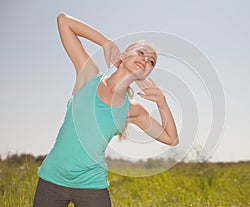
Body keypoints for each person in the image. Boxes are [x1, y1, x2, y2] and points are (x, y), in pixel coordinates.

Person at [33, 12, 179, 207]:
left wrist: (162, 103)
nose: (146, 60)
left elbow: (171, 139)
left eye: (151, 62)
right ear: (124, 55)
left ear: (147, 73)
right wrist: (106, 43)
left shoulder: (132, 109)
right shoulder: (89, 77)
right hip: (52, 181)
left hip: (92, 187)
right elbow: (63, 21)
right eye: (141, 53)